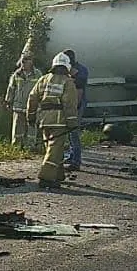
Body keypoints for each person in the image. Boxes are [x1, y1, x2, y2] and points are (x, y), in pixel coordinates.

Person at [26, 52, 80, 188]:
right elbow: (69, 104)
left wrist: (31, 116)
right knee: (55, 149)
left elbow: (32, 98)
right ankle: (46, 178)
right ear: (66, 67)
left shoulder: (43, 79)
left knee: (53, 149)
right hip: (59, 121)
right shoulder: (68, 82)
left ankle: (58, 175)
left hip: (44, 120)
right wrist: (73, 123)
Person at [4, 54, 42, 150]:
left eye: (26, 60)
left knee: (31, 127)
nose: (23, 63)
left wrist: (41, 104)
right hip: (18, 106)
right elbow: (11, 89)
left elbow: (41, 90)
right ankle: (16, 147)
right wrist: (8, 101)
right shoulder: (16, 74)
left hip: (32, 107)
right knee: (17, 128)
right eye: (22, 61)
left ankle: (30, 146)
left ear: (31, 62)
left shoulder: (38, 74)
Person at [61, 49, 88, 170]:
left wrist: (72, 74)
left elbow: (80, 84)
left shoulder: (80, 70)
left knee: (74, 132)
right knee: (69, 132)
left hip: (78, 104)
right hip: (68, 104)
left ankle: (76, 160)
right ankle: (71, 156)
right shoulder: (65, 69)